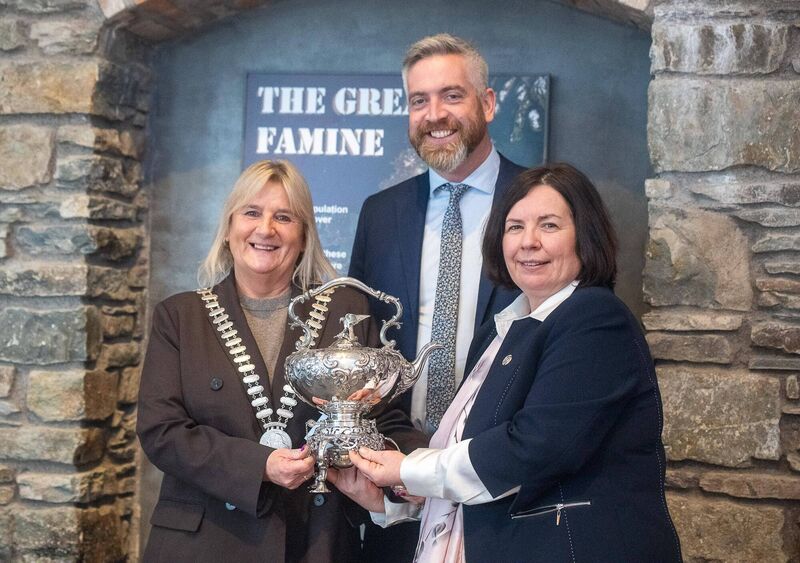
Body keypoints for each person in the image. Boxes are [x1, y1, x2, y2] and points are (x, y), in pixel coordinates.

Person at [337, 163, 683, 562]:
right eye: (515, 227)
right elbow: (490, 484)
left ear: (585, 238)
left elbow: (533, 451)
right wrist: (391, 503)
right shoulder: (498, 332)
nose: (528, 242)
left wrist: (408, 469)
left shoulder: (596, 319)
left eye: (549, 226)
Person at [137, 160, 425, 562]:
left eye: (284, 217)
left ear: (304, 235)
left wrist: (415, 469)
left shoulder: (347, 309)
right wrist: (261, 465)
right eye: (251, 213)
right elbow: (161, 432)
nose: (265, 229)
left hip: (315, 539)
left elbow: (384, 416)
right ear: (228, 228)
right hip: (204, 542)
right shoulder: (180, 316)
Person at [349, 34, 524, 558]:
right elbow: (360, 343)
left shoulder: (539, 203)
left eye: (452, 95)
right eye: (419, 100)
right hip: (394, 482)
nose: (434, 114)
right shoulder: (380, 214)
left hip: (504, 481)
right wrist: (399, 456)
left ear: (487, 103)